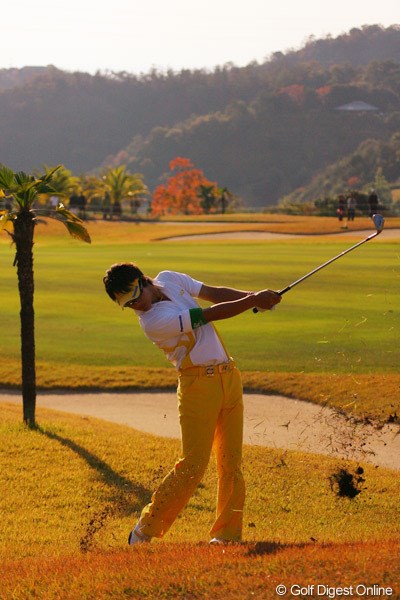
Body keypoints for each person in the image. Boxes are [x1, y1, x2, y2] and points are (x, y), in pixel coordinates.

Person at [103, 263, 281, 546]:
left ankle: (226, 535)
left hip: (228, 376)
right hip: (197, 384)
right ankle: (143, 531)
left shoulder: (171, 279)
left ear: (142, 281)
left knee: (231, 462)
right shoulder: (152, 322)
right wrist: (252, 301)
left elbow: (214, 294)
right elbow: (208, 315)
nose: (136, 306)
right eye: (128, 305)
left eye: (136, 298)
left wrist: (256, 296)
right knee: (193, 465)